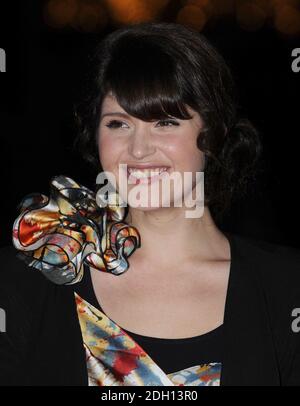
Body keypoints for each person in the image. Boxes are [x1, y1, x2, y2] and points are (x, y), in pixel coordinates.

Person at [1, 21, 300, 386]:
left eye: (165, 122)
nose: (139, 150)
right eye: (118, 124)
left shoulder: (285, 287)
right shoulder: (28, 283)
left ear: (214, 133)